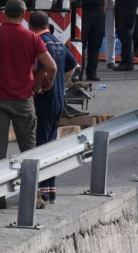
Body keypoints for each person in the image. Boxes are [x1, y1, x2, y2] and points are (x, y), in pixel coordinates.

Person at [0, 0, 56, 210]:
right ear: (23, 15)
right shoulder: (31, 37)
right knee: (28, 150)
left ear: (5, 14)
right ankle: (33, 196)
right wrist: (42, 85)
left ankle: (0, 196)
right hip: (23, 100)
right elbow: (51, 67)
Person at [29, 10, 77, 204]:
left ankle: (41, 192)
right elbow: (72, 66)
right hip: (58, 99)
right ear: (48, 25)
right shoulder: (57, 42)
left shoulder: (39, 43)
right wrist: (59, 83)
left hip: (45, 100)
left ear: (30, 26)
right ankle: (50, 191)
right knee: (51, 144)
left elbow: (42, 69)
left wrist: (39, 87)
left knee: (40, 144)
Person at [70, 0, 108, 81]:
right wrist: (73, 12)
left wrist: (103, 11)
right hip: (83, 13)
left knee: (95, 44)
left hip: (98, 13)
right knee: (81, 44)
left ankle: (92, 73)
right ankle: (78, 72)